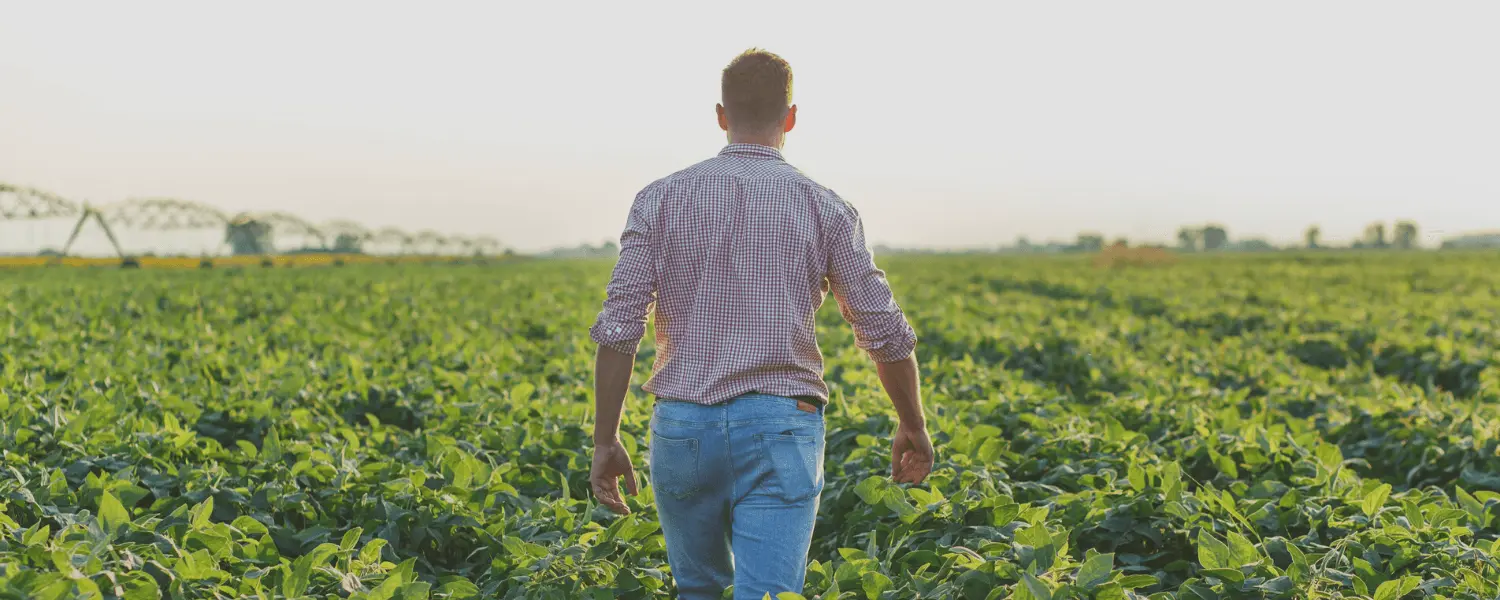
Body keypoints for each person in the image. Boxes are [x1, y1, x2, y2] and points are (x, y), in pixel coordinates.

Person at [587, 48, 933, 600]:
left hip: (683, 427)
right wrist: (912, 423)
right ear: (791, 117)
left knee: (697, 590)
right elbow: (884, 332)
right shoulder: (826, 208)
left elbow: (619, 328)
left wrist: (606, 439)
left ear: (721, 115)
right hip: (783, 425)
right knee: (769, 594)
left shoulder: (659, 199)